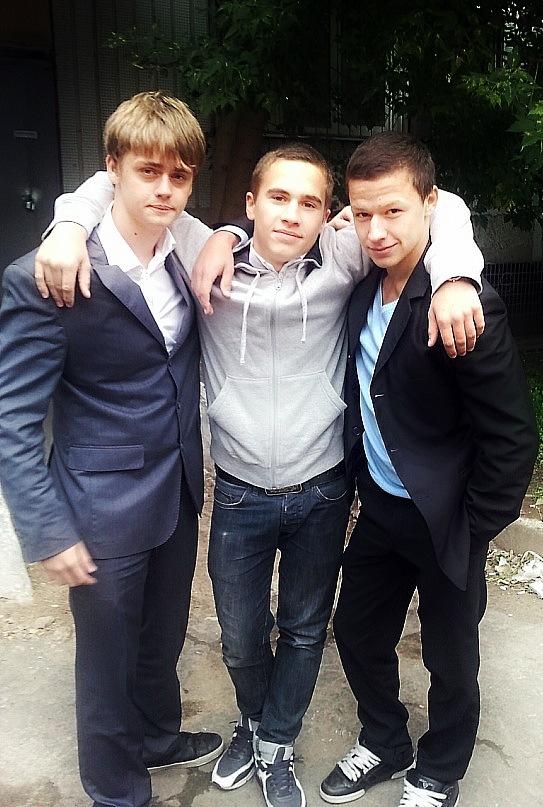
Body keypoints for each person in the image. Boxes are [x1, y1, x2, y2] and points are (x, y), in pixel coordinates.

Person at [33, 140, 485, 807]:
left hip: (322, 490)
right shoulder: (197, 248)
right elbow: (126, 185)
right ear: (250, 203)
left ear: (328, 214)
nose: (292, 214)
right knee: (241, 636)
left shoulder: (346, 251)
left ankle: (275, 740)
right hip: (240, 493)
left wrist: (455, 279)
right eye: (277, 197)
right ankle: (251, 717)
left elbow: (438, 206)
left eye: (310, 202)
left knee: (304, 629)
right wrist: (70, 225)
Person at [0, 92, 224, 807]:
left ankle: (156, 736)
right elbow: (12, 417)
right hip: (98, 506)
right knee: (106, 662)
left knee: (162, 638)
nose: (164, 189)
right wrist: (47, 529)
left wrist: (226, 234)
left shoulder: (185, 249)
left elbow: (243, 232)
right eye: (148, 171)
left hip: (176, 491)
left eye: (179, 176)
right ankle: (116, 790)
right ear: (113, 170)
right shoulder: (50, 274)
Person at [318, 132, 538, 807]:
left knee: (449, 657)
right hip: (382, 508)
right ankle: (384, 739)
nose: (376, 231)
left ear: (429, 205)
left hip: (447, 518)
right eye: (362, 214)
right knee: (356, 631)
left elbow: (512, 435)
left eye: (393, 211)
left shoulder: (462, 302)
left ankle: (440, 767)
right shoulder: (362, 289)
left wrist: (474, 526)